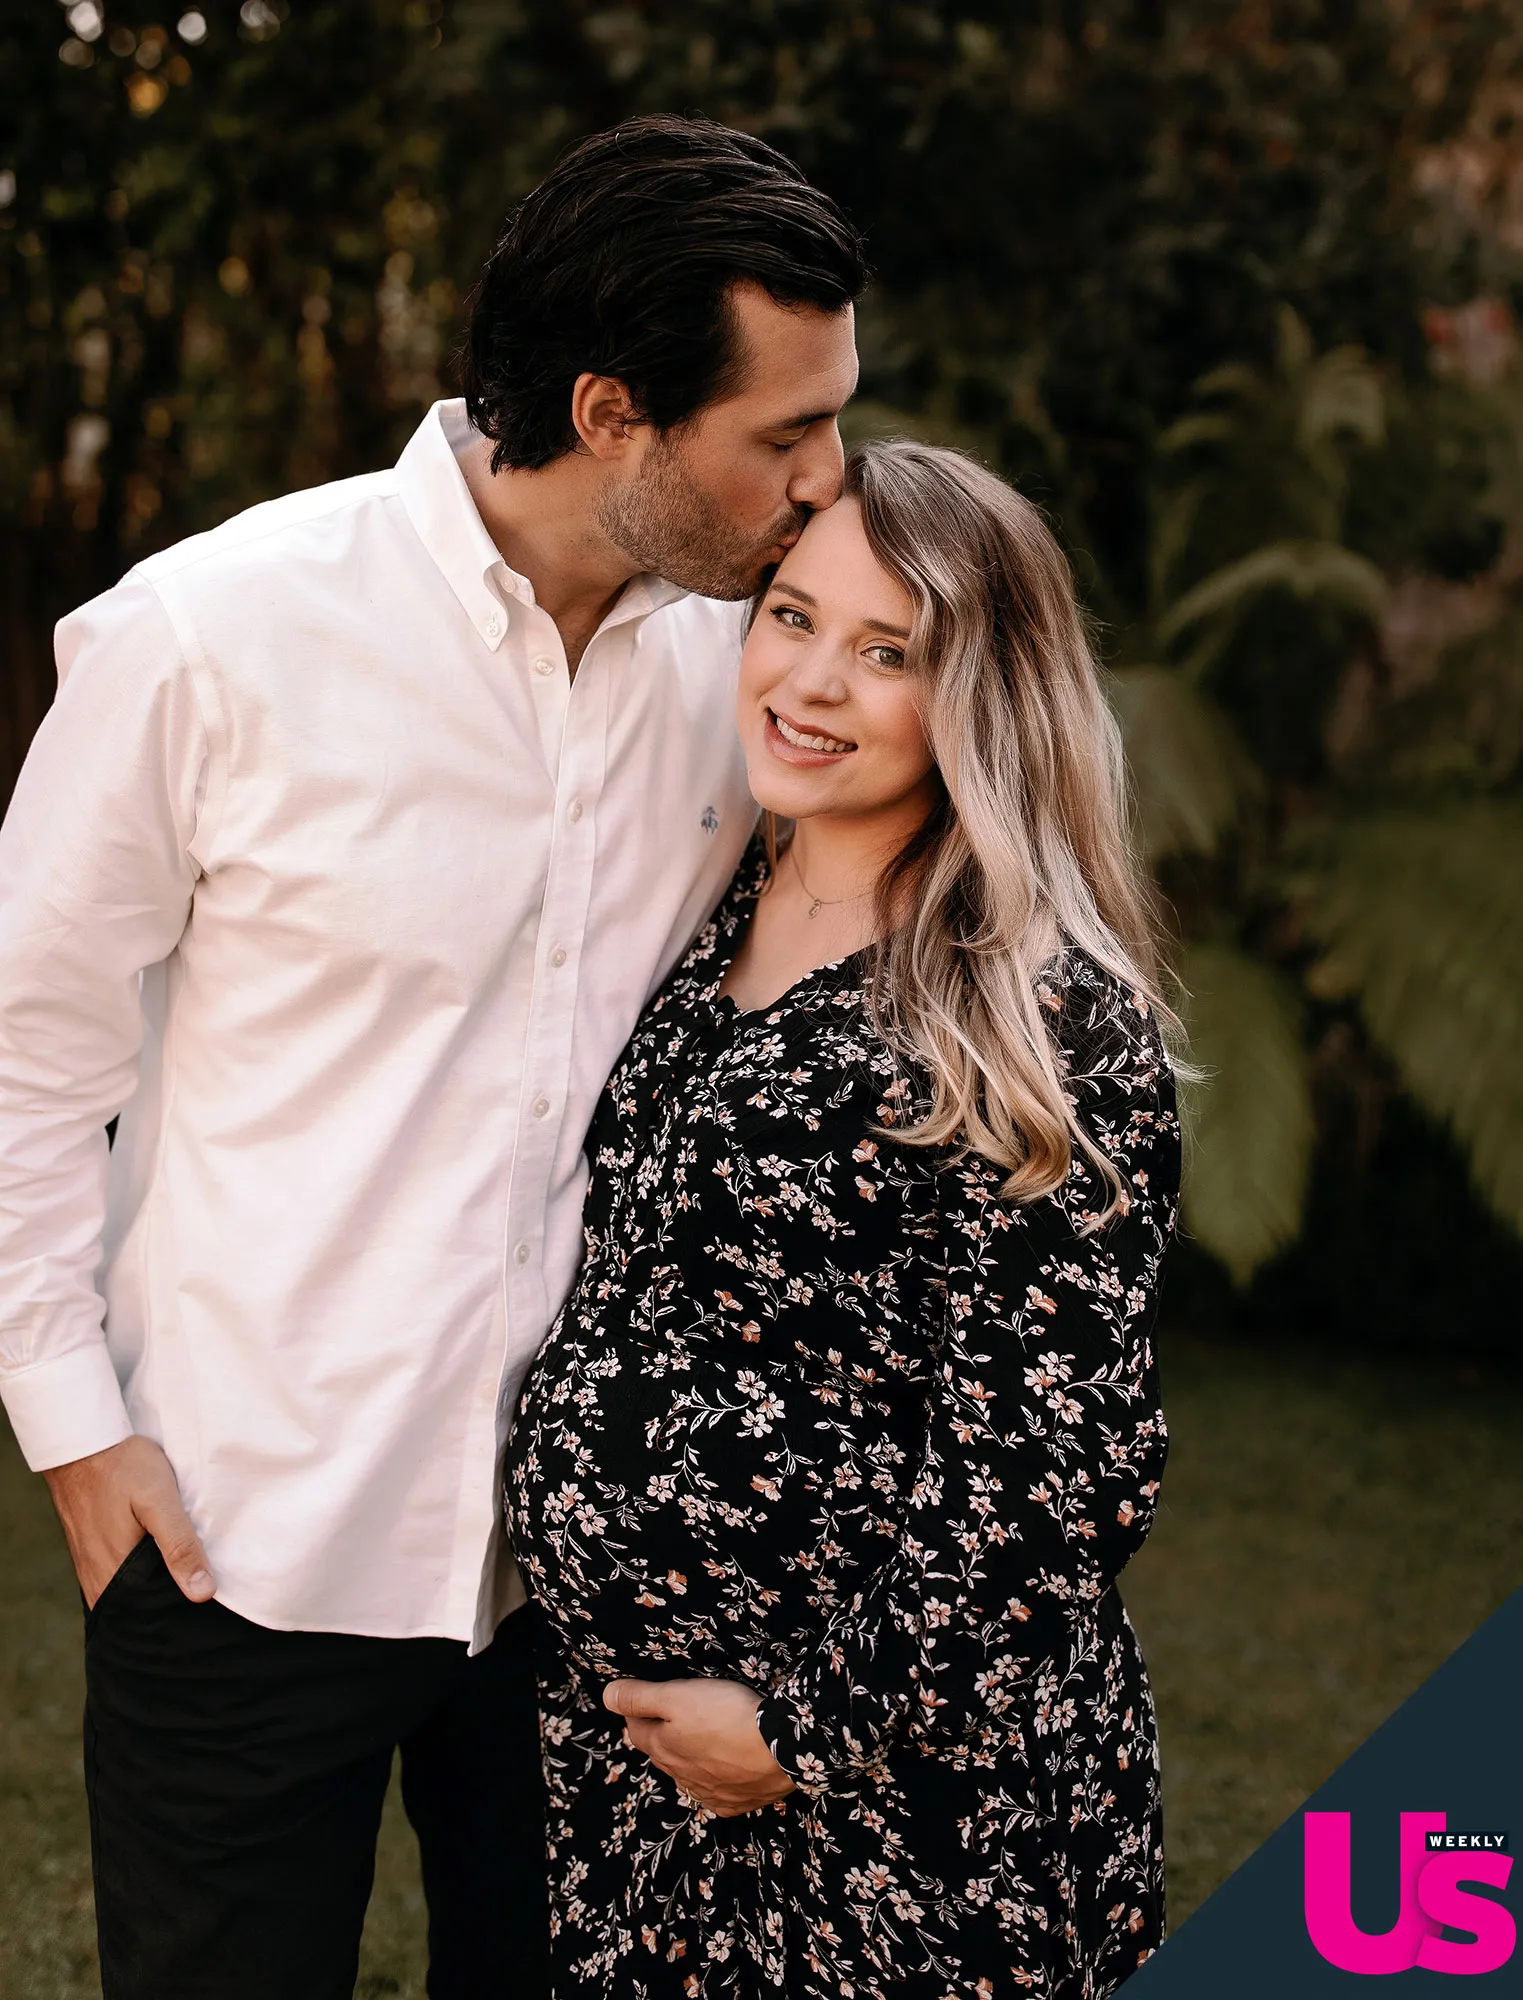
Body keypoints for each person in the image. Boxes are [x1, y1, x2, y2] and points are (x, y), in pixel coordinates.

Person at [0, 116, 863, 1998]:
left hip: (592, 1587)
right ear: (612, 414)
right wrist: (70, 1423)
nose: (827, 478)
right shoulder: (206, 637)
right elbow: (28, 1047)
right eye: (785, 433)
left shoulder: (761, 676)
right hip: (241, 1537)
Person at [506, 439, 1182, 1998]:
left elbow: (1060, 1471)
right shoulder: (712, 911)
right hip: (641, 1774)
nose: (810, 681)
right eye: (792, 617)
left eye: (888, 652)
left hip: (904, 1795)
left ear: (981, 698)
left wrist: (803, 1732)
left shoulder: (1034, 1014)